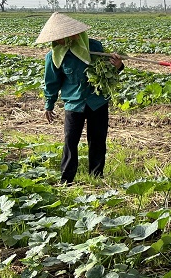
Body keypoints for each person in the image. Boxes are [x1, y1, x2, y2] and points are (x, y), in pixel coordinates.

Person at [37, 12, 124, 184]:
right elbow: (51, 82)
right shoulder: (54, 56)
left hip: (96, 101)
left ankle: (96, 177)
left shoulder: (93, 47)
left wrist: (118, 65)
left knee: (98, 139)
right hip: (73, 103)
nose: (59, 41)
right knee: (70, 140)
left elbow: (109, 70)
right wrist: (49, 104)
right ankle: (66, 179)